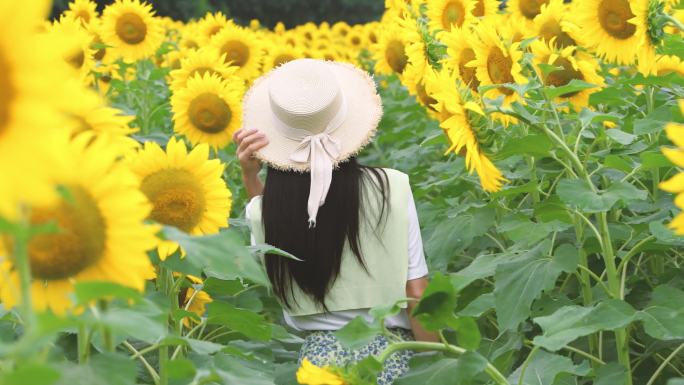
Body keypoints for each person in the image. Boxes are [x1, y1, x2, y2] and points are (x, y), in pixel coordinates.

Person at [234, 58, 438, 384]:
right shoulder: (392, 188)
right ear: (346, 129)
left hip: (319, 369)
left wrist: (250, 176)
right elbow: (416, 291)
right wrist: (436, 369)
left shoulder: (261, 212)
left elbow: (266, 225)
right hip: (391, 359)